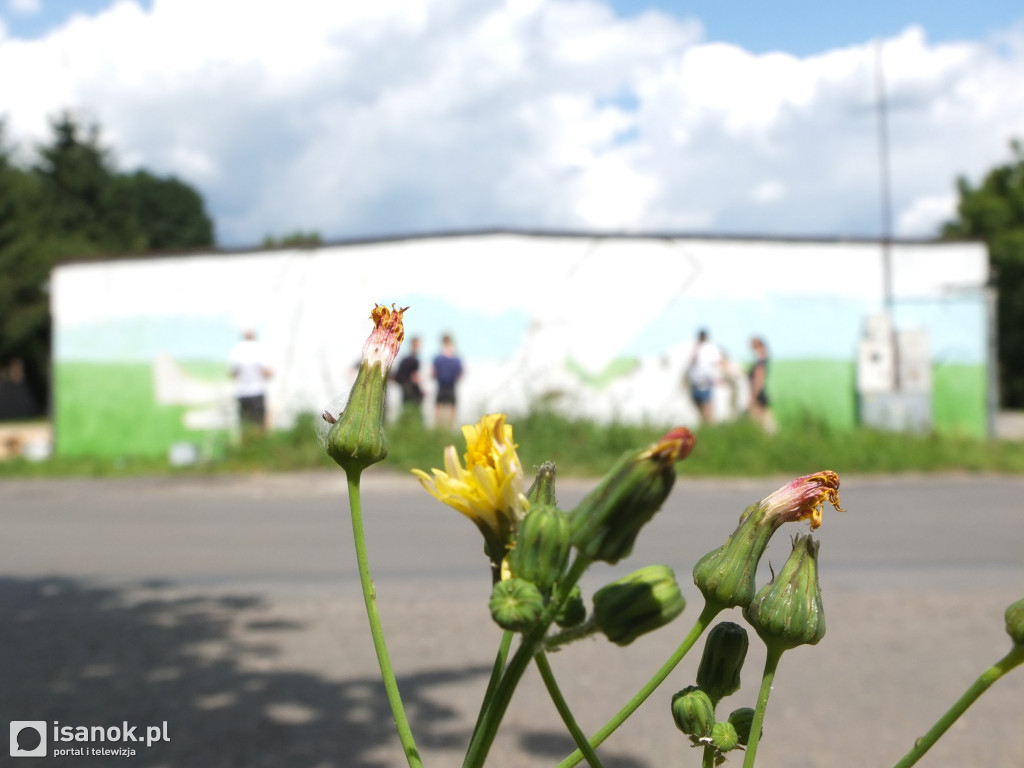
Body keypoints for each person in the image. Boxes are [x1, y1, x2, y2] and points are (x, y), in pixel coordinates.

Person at [228, 329, 273, 434]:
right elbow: (266, 371)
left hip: (242, 393)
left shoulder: (237, 350)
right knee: (258, 424)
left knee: (245, 424)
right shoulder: (259, 349)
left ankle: (246, 447)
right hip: (257, 391)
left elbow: (233, 373)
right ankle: (258, 446)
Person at [687, 328, 722, 425]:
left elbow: (718, 363)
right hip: (695, 381)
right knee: (699, 404)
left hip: (705, 380)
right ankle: (705, 423)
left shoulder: (711, 348)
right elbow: (691, 362)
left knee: (707, 404)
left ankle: (710, 424)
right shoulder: (695, 348)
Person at [432, 333, 463, 429]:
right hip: (444, 384)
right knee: (443, 406)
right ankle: (442, 427)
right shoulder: (452, 359)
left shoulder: (441, 358)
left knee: (448, 407)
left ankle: (447, 427)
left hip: (448, 384)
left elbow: (434, 372)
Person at [392, 335, 424, 421]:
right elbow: (414, 377)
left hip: (404, 385)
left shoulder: (405, 359)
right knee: (413, 407)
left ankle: (405, 423)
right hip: (410, 387)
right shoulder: (414, 360)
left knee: (406, 407)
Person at [748, 336, 776, 433]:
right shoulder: (762, 358)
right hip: (760, 391)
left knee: (759, 419)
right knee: (766, 417)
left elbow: (758, 378)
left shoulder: (760, 361)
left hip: (757, 392)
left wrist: (753, 395)